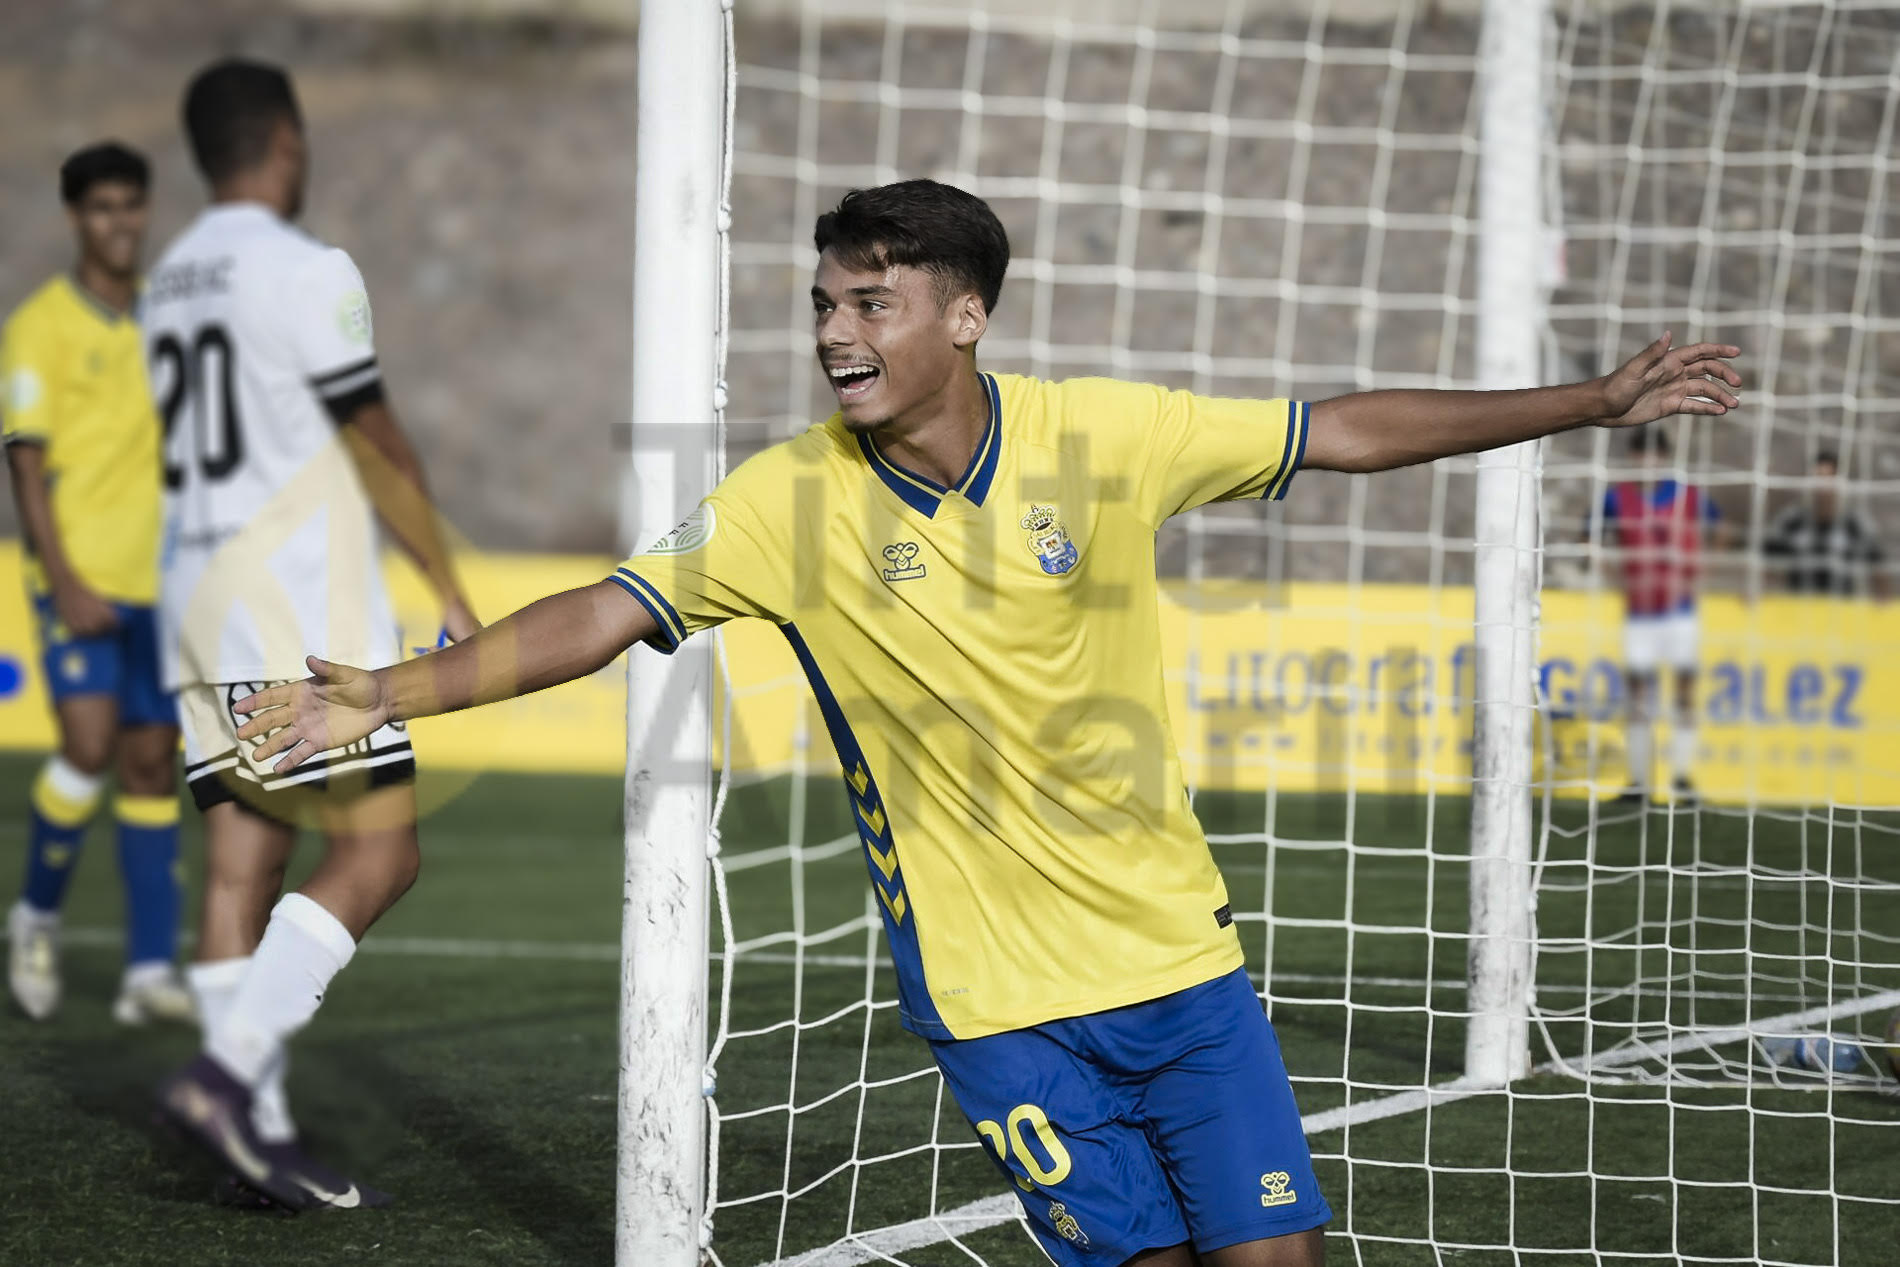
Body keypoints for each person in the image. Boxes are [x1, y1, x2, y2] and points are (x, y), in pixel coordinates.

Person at [233, 181, 1741, 1262]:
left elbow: (1334, 430)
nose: (834, 331)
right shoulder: (784, 499)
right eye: (823, 303)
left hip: (1182, 968)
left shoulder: (1105, 432)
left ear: (965, 316)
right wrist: (383, 689)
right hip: (998, 1006)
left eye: (870, 302)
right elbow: (605, 612)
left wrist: (1589, 401)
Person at [148, 59, 476, 1211]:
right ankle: (225, 1080)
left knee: (244, 860)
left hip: (194, 599)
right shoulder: (308, 269)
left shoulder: (168, 280)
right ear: (286, 141)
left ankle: (257, 1139)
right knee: (383, 854)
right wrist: (444, 580)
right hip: (291, 602)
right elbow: (371, 433)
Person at [2, 143, 193, 1025]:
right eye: (103, 207)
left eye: (131, 204)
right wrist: (64, 577)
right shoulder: (40, 326)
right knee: (88, 745)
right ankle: (36, 917)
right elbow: (25, 467)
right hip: (78, 577)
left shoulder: (169, 319)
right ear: (77, 217)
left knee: (152, 761)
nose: (120, 222)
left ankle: (148, 971)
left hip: (163, 582)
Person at [1597, 427, 1724, 804]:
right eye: (1641, 456)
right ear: (1633, 459)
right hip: (1640, 612)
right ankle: (1639, 781)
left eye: (1654, 456)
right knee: (1638, 694)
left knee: (1684, 690)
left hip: (1679, 611)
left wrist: (1702, 568)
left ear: (1664, 458)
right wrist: (1613, 575)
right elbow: (1589, 536)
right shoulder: (1616, 498)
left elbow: (1720, 530)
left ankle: (1682, 777)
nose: (1647, 463)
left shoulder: (1687, 495)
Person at [1762, 449, 1887, 598]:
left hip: (1842, 607)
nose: (1823, 485)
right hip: (1797, 606)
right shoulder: (1791, 520)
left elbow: (1878, 566)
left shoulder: (1855, 522)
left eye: (1829, 478)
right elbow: (1764, 561)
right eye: (1818, 478)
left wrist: (1882, 600)